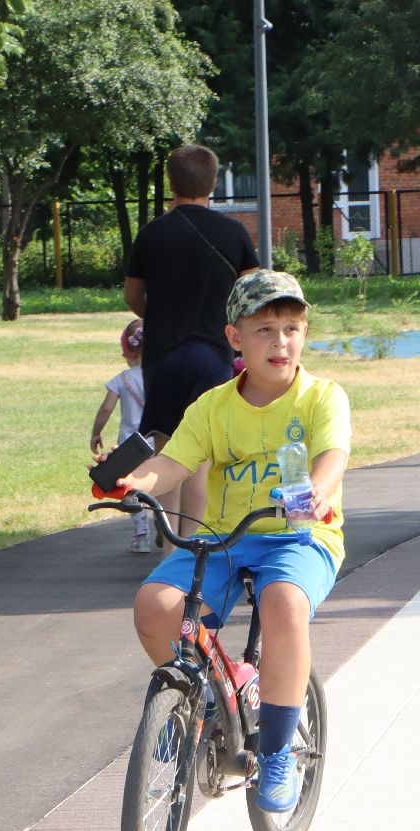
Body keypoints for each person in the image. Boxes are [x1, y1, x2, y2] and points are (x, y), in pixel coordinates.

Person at [103, 270, 349, 813]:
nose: (280, 341)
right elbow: (172, 462)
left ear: (304, 334)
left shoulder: (321, 397)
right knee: (156, 605)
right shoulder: (214, 406)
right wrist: (133, 483)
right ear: (234, 338)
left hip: (299, 536)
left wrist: (314, 492)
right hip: (225, 539)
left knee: (283, 602)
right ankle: (210, 702)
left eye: (290, 327)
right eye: (264, 329)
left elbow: (332, 457)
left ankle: (279, 750)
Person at [124, 144, 261, 541]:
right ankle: (194, 542)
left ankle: (168, 547)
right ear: (214, 183)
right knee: (201, 455)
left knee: (167, 451)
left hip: (164, 353)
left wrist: (164, 315)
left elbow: (133, 298)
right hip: (212, 352)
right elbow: (251, 293)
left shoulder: (152, 233)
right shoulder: (232, 232)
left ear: (171, 182)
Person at [90, 319, 152, 552]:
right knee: (162, 487)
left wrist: (96, 432)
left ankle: (141, 534)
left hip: (130, 444)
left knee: (129, 487)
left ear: (128, 350)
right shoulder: (159, 376)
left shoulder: (122, 379)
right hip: (157, 438)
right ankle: (168, 532)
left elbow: (106, 409)